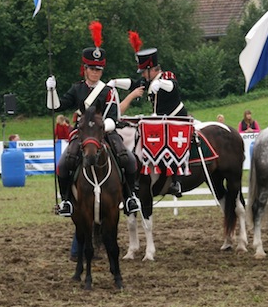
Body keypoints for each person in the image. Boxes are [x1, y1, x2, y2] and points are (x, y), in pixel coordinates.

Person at [45, 21, 140, 217]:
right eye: (92, 69)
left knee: (128, 159)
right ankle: (66, 201)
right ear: (85, 69)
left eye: (99, 69)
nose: (95, 72)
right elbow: (54, 106)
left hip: (105, 132)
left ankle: (130, 197)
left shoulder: (108, 90)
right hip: (81, 134)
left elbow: (114, 116)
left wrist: (101, 128)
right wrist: (51, 90)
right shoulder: (76, 89)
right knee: (64, 164)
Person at [122, 31, 188, 196]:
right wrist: (115, 83)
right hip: (160, 121)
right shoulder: (148, 80)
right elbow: (133, 83)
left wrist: (161, 83)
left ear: (152, 70)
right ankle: (140, 173)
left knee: (170, 142)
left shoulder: (166, 76)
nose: (143, 76)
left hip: (177, 119)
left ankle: (176, 181)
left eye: (145, 72)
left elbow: (173, 86)